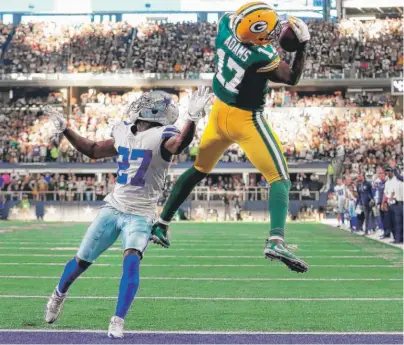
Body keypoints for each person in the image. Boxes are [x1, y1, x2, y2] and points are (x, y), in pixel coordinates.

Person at [151, 2, 311, 273]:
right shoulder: (262, 56)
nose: (274, 33)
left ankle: (161, 223)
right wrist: (303, 44)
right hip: (245, 119)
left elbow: (240, 19)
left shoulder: (226, 27)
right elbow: (292, 77)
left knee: (199, 169)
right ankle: (276, 240)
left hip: (218, 113)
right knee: (280, 178)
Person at [42, 87, 211, 338]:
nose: (138, 105)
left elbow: (179, 144)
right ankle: (58, 294)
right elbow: (94, 149)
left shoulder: (163, 134)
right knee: (81, 262)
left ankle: (117, 319)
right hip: (113, 207)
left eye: (146, 102)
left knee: (132, 259)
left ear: (154, 111)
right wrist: (65, 128)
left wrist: (193, 119)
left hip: (141, 213)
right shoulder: (123, 131)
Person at [383, 167, 403, 244]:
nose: (388, 172)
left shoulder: (398, 180)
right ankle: (396, 238)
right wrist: (384, 202)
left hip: (398, 203)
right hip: (390, 204)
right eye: (387, 171)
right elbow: (385, 193)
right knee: (391, 222)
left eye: (389, 171)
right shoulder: (387, 182)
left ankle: (399, 239)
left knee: (398, 222)